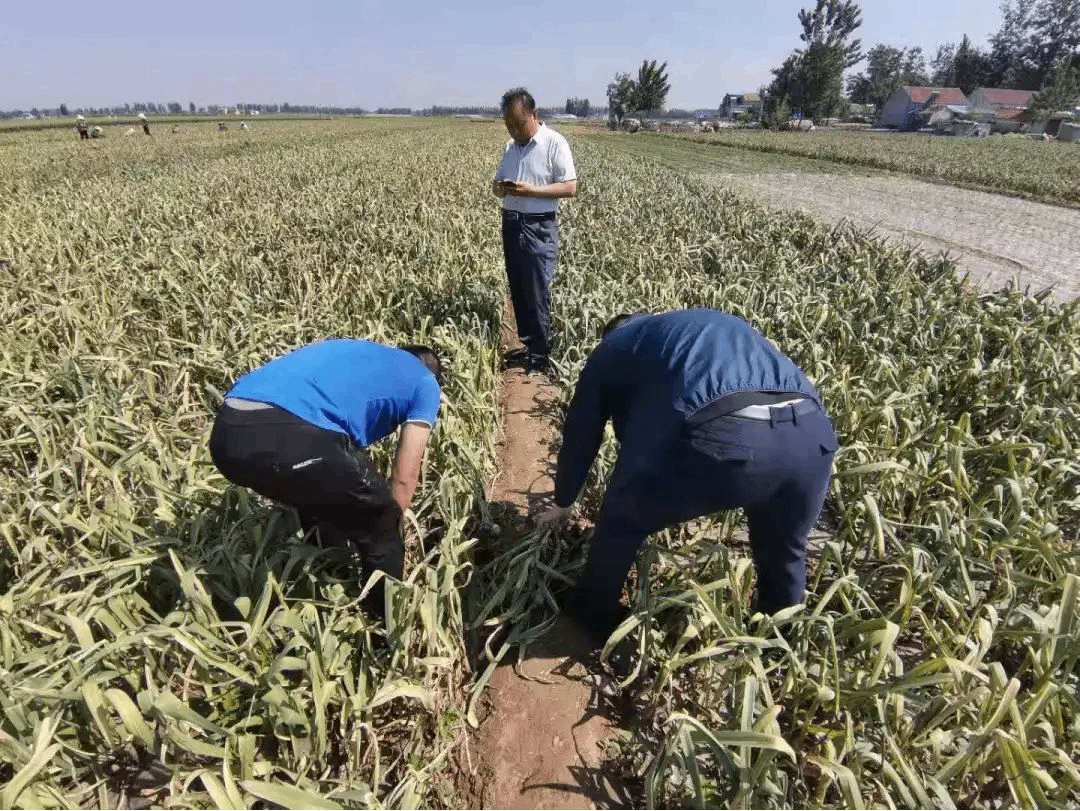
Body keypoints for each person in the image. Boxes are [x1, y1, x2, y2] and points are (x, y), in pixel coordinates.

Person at [539, 309, 840, 651]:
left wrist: (564, 501)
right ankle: (779, 651)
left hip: (725, 437)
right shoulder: (705, 327)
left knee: (622, 517)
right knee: (785, 553)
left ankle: (589, 618)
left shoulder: (614, 346)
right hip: (811, 436)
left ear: (612, 333)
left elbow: (582, 431)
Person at [209, 339, 444, 618]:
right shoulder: (425, 382)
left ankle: (329, 582)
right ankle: (384, 629)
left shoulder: (362, 353)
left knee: (323, 498)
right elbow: (405, 478)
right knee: (381, 520)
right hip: (287, 431)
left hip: (227, 433)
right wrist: (390, 525)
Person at [492, 88, 577, 375]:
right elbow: (496, 184)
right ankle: (528, 346)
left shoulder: (554, 143)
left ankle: (540, 355)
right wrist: (500, 188)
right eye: (509, 126)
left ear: (534, 115)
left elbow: (569, 187)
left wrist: (533, 191)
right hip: (512, 220)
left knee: (536, 288)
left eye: (519, 123)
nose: (514, 131)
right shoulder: (510, 147)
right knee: (517, 285)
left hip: (539, 223)